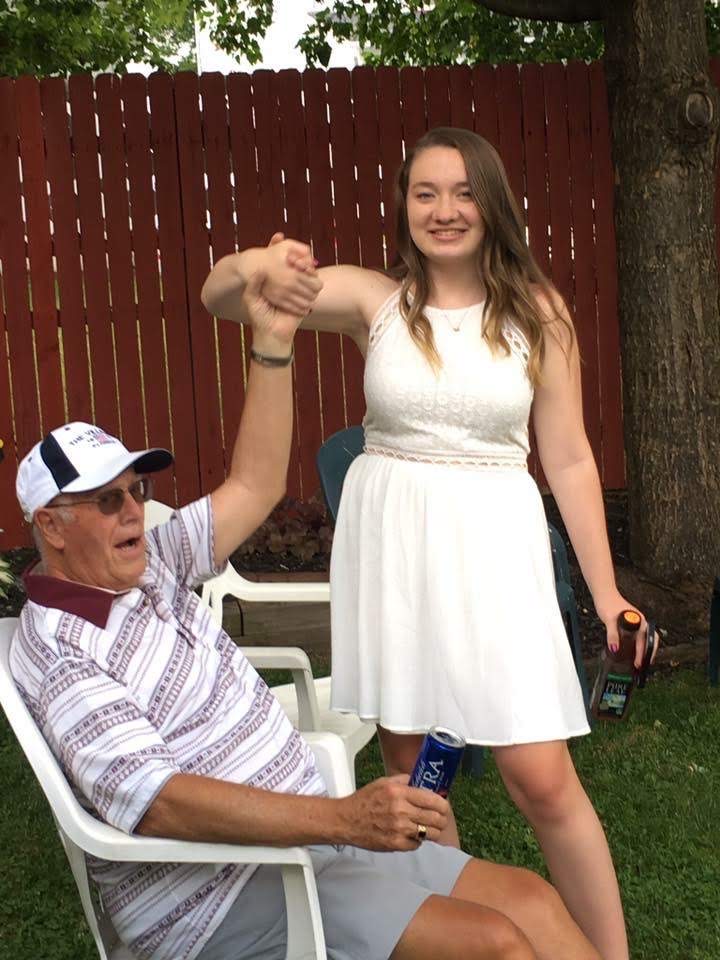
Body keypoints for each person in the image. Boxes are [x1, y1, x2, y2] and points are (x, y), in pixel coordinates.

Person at [9, 268, 599, 960]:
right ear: (51, 524)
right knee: (495, 946)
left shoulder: (153, 565)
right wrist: (344, 818)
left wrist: (274, 341)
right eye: (108, 501)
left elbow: (255, 483)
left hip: (314, 844)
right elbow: (160, 801)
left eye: (137, 489)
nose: (135, 510)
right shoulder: (61, 651)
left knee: (532, 901)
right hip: (222, 893)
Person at [201, 126, 658, 960]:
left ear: (492, 203)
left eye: (462, 192)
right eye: (425, 193)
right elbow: (222, 297)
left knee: (542, 779)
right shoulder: (377, 302)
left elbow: (568, 456)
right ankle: (460, 933)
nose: (444, 210)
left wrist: (607, 595)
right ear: (404, 205)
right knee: (419, 775)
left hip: (493, 557)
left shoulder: (538, 312)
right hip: (397, 560)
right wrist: (260, 267)